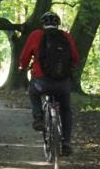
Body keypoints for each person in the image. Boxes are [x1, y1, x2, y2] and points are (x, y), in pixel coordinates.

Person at [19, 11, 80, 156]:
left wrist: (22, 66)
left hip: (41, 82)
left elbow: (25, 56)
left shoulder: (36, 35)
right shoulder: (66, 36)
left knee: (33, 92)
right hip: (62, 84)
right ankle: (66, 143)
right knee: (65, 110)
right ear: (57, 24)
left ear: (43, 24)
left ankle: (38, 117)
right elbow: (76, 58)